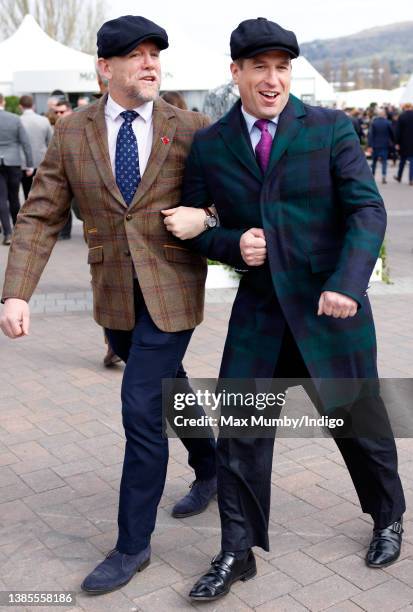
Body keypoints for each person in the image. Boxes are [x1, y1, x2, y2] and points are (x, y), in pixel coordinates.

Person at [162, 17, 405, 601]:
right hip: (261, 314)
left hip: (331, 310)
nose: (273, 79)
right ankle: (236, 552)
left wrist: (348, 281)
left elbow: (367, 211)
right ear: (237, 72)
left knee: (360, 425)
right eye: (260, 67)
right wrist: (232, 243)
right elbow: (195, 225)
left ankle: (388, 517)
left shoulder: (328, 128)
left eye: (282, 67)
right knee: (241, 435)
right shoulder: (212, 144)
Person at [0, 15, 217, 596]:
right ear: (105, 67)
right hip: (115, 300)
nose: (150, 64)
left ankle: (132, 545)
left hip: (172, 293)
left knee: (141, 407)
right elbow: (41, 214)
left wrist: (210, 218)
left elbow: (232, 199)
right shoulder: (73, 133)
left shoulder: (191, 127)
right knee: (169, 386)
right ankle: (212, 465)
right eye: (137, 55)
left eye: (155, 55)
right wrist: (18, 291)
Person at [0, 93, 33, 245]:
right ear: (3, 102)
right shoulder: (14, 118)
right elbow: (25, 143)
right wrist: (30, 164)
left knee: (1, 199)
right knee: (14, 197)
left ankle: (7, 234)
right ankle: (18, 232)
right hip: (13, 162)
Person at [19, 95, 53, 198]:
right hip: (42, 161)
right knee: (43, 193)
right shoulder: (44, 120)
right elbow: (51, 142)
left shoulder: (18, 121)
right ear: (33, 106)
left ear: (20, 107)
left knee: (27, 193)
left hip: (23, 162)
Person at [368, 108, 394, 184]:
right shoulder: (388, 122)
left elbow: (371, 135)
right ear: (384, 115)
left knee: (374, 161)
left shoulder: (374, 123)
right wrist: (392, 141)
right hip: (384, 145)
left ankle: (372, 176)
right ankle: (384, 176)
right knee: (384, 161)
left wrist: (370, 145)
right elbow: (392, 133)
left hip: (375, 145)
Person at [394, 103, 413, 185]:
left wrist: (397, 142)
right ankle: (411, 179)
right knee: (412, 160)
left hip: (403, 142)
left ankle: (399, 176)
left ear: (405, 108)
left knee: (402, 160)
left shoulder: (401, 116)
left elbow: (397, 131)